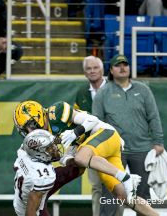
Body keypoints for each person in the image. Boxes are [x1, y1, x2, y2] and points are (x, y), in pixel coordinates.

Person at [13, 100, 159, 216]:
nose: (29, 131)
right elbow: (67, 160)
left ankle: (125, 177)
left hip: (105, 134)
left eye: (30, 126)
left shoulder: (56, 112)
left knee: (81, 157)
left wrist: (76, 132)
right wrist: (68, 160)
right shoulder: (42, 140)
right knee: (125, 196)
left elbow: (93, 121)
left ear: (38, 115)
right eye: (24, 130)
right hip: (96, 155)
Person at [92, 54, 165, 208]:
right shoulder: (103, 92)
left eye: (125, 64)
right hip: (114, 151)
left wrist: (158, 142)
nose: (122, 67)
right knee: (111, 194)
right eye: (118, 65)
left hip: (142, 149)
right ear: (111, 70)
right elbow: (96, 122)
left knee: (143, 196)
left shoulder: (143, 89)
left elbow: (154, 116)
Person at [74, 55, 110, 216]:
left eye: (95, 68)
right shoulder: (81, 93)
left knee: (116, 185)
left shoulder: (114, 88)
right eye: (89, 68)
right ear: (84, 72)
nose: (92, 71)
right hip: (92, 147)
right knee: (96, 186)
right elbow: (77, 121)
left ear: (102, 70)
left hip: (113, 144)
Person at [13, 129, 62, 216]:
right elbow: (30, 211)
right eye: (49, 148)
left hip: (20, 198)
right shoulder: (43, 177)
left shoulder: (24, 152)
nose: (55, 148)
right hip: (29, 210)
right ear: (39, 153)